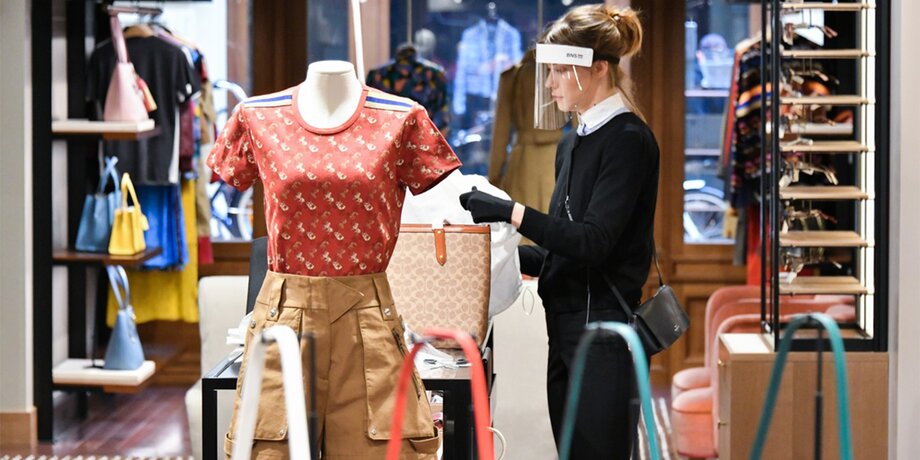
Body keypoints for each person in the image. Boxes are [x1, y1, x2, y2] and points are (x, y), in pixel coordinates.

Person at [209, 60, 460, 459]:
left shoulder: (402, 118)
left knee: (382, 450)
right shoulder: (256, 116)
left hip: (367, 319)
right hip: (283, 317)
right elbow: (232, 174)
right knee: (269, 450)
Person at [459, 5, 659, 459]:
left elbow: (593, 242)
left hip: (604, 335)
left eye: (559, 71)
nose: (549, 85)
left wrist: (513, 213)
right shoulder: (573, 141)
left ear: (599, 68)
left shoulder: (628, 140)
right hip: (565, 329)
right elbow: (567, 246)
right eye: (548, 71)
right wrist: (498, 253)